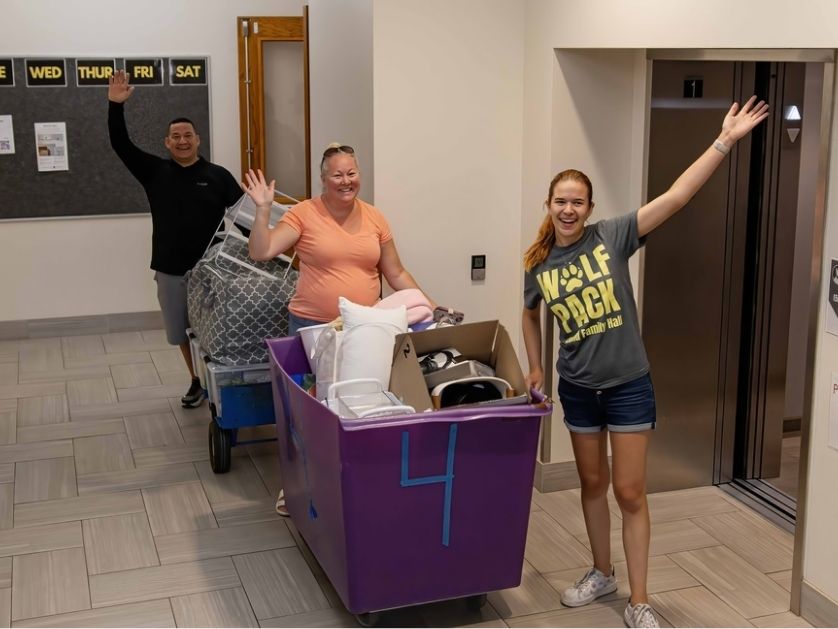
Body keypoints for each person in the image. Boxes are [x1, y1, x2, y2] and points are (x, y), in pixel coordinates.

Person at [521, 96, 769, 628]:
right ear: (548, 204)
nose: (569, 210)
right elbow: (529, 313)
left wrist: (723, 140)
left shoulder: (612, 237)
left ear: (590, 208)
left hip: (629, 384)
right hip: (579, 389)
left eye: (578, 202)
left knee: (630, 491)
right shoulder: (538, 262)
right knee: (591, 485)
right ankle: (600, 572)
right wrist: (536, 367)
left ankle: (639, 600)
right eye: (560, 201)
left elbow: (677, 197)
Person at [107, 69, 242, 408]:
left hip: (214, 272)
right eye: (175, 136)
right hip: (170, 270)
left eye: (187, 135)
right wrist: (115, 106)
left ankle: (222, 381)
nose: (182, 140)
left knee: (216, 329)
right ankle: (197, 380)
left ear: (198, 139)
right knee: (181, 332)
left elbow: (246, 220)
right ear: (167, 143)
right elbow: (120, 145)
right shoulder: (155, 172)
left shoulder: (218, 176)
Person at [243, 143, 435, 335]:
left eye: (351, 174)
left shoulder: (375, 216)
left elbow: (397, 274)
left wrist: (433, 307)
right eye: (337, 175)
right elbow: (261, 252)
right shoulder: (304, 213)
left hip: (365, 322)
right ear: (323, 179)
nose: (346, 181)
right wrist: (263, 209)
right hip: (312, 325)